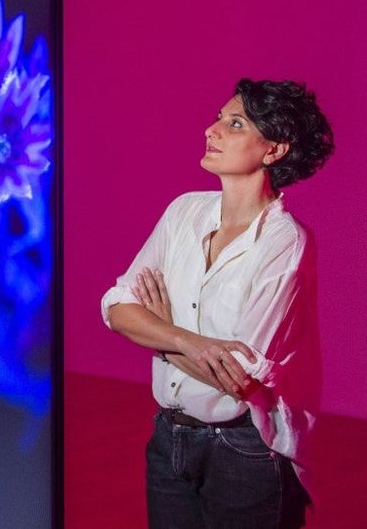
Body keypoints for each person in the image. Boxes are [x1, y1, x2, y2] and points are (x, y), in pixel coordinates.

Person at [101, 78, 334, 529]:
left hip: (243, 451)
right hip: (169, 438)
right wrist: (180, 336)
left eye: (235, 123)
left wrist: (154, 331)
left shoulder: (286, 242)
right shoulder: (184, 210)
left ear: (273, 150)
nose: (212, 130)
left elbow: (239, 380)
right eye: (217, 117)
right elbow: (115, 305)